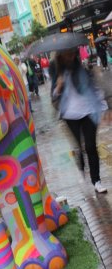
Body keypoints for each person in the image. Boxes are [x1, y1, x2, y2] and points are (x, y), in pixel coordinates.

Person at [52, 48, 108, 194]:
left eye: (72, 54)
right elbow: (54, 95)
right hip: (70, 115)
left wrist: (105, 105)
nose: (71, 56)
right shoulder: (58, 73)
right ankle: (81, 169)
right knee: (78, 146)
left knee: (90, 146)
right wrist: (58, 86)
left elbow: (95, 88)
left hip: (88, 111)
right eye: (68, 54)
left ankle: (96, 181)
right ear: (61, 56)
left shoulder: (82, 69)